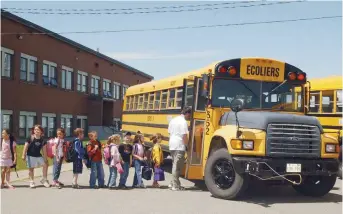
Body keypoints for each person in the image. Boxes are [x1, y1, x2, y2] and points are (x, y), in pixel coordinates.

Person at [168, 106, 191, 191]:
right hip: (179, 145)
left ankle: (172, 183)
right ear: (187, 113)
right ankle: (175, 185)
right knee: (177, 167)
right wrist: (187, 145)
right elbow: (184, 135)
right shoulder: (183, 122)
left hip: (172, 144)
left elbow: (169, 132)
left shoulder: (173, 120)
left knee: (174, 165)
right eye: (189, 115)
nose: (189, 117)